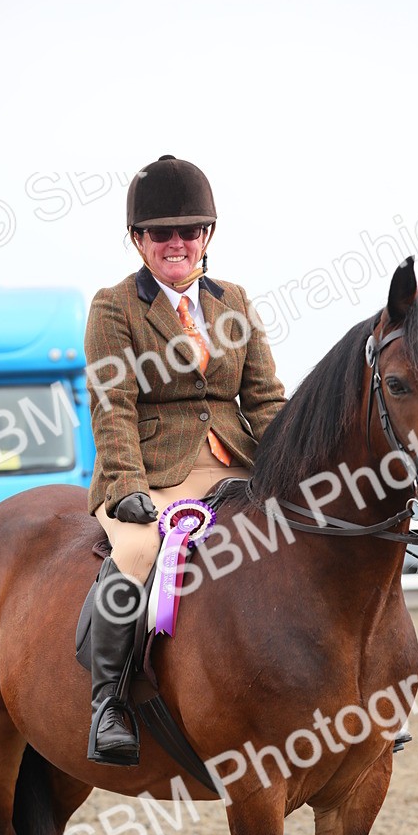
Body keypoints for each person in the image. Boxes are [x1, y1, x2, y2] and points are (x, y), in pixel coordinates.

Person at [84, 154, 286, 765]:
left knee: (309, 542)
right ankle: (109, 701)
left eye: (188, 232)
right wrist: (125, 486)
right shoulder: (114, 306)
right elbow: (111, 403)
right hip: (153, 474)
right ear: (139, 240)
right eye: (160, 234)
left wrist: (300, 470)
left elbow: (266, 398)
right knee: (141, 550)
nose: (176, 244)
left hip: (237, 466)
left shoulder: (234, 301)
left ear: (208, 236)